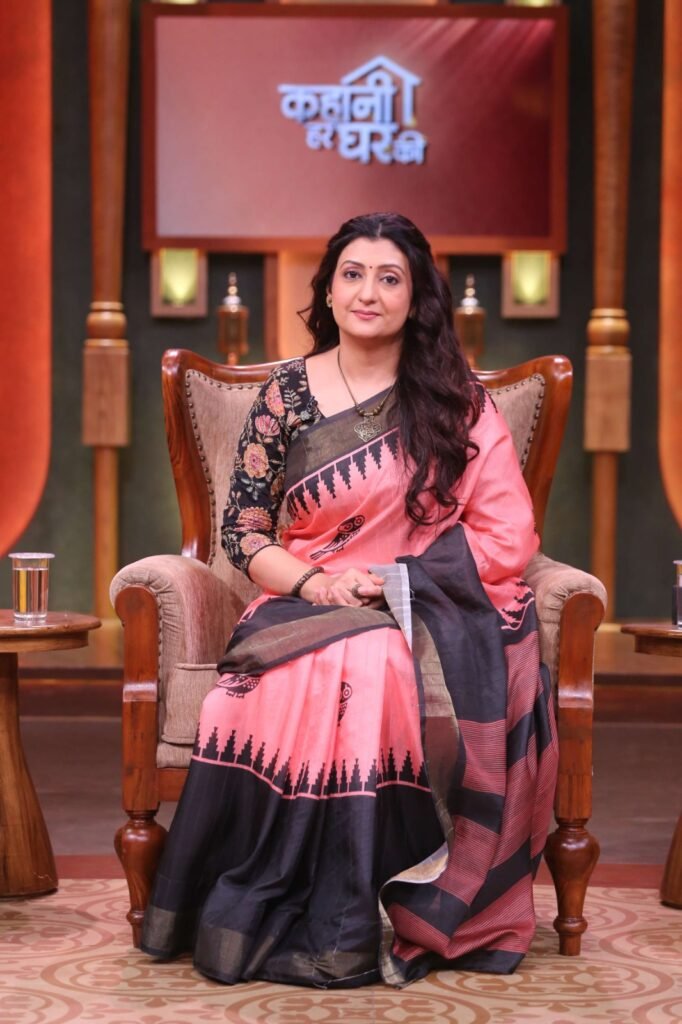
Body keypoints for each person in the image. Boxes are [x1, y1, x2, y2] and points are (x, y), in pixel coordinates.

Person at [141, 212, 559, 989]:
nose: (369, 292)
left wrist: (403, 580)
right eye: (353, 274)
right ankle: (277, 905)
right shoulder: (286, 395)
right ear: (329, 291)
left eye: (389, 278)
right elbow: (243, 531)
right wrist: (319, 583)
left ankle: (351, 917)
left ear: (416, 297)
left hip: (418, 608)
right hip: (302, 599)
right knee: (260, 690)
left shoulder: (456, 403)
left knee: (370, 664)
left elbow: (510, 535)